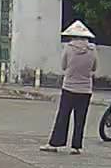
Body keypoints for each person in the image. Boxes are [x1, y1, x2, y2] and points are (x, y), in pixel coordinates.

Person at [40, 21, 98, 154]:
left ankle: (55, 143)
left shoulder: (68, 48)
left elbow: (63, 66)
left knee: (63, 116)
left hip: (69, 87)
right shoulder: (92, 49)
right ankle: (76, 146)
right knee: (80, 118)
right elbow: (94, 67)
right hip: (86, 89)